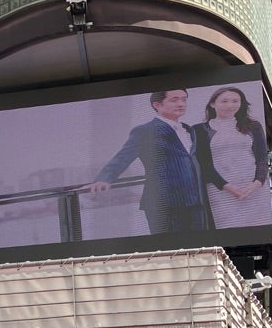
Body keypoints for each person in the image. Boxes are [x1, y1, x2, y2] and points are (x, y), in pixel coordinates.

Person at [87, 89, 209, 234]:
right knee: (170, 249)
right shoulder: (145, 130)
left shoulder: (189, 129)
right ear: (157, 105)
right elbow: (123, 156)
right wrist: (104, 178)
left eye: (184, 99)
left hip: (195, 201)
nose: (181, 104)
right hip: (164, 203)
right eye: (174, 100)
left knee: (198, 247)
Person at [193, 86, 271, 229]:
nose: (230, 105)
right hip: (221, 190)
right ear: (212, 104)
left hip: (254, 189)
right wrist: (228, 187)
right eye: (225, 101)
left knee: (258, 229)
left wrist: (256, 183)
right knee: (229, 228)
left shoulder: (253, 126)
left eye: (235, 101)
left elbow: (262, 158)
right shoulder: (199, 130)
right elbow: (204, 164)